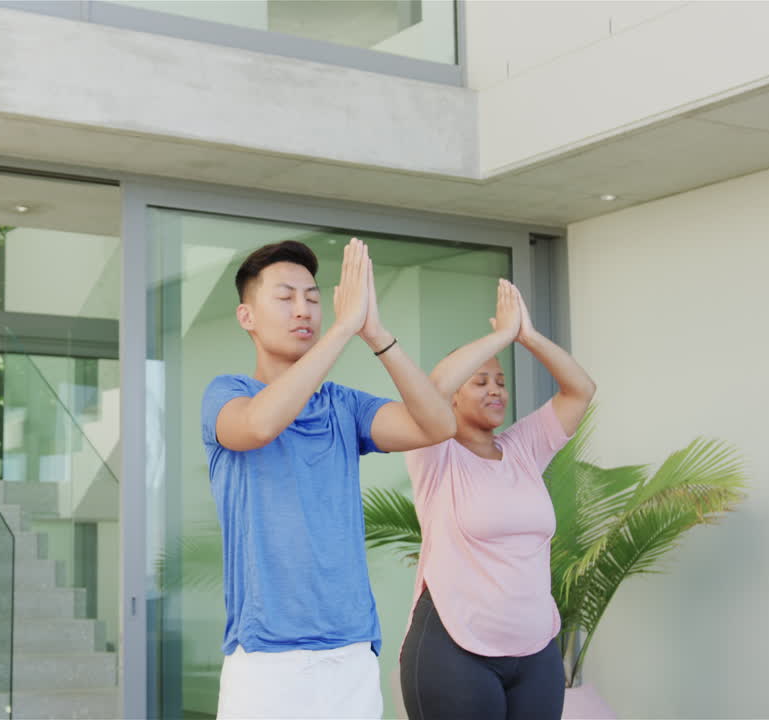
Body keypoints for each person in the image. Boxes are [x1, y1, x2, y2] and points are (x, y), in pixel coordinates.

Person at [202, 238, 456, 719]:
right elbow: (259, 425)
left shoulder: (344, 405)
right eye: (285, 297)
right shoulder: (226, 395)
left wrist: (375, 333)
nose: (304, 310)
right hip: (266, 659)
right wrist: (342, 330)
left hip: (351, 652)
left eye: (313, 298)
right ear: (246, 317)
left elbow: (438, 425)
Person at [398, 279, 596, 720]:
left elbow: (580, 389)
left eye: (501, 381)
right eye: (480, 381)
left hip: (535, 651)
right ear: (452, 397)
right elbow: (428, 390)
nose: (496, 390)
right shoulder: (433, 451)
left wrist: (526, 335)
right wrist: (497, 337)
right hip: (454, 648)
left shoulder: (524, 447)